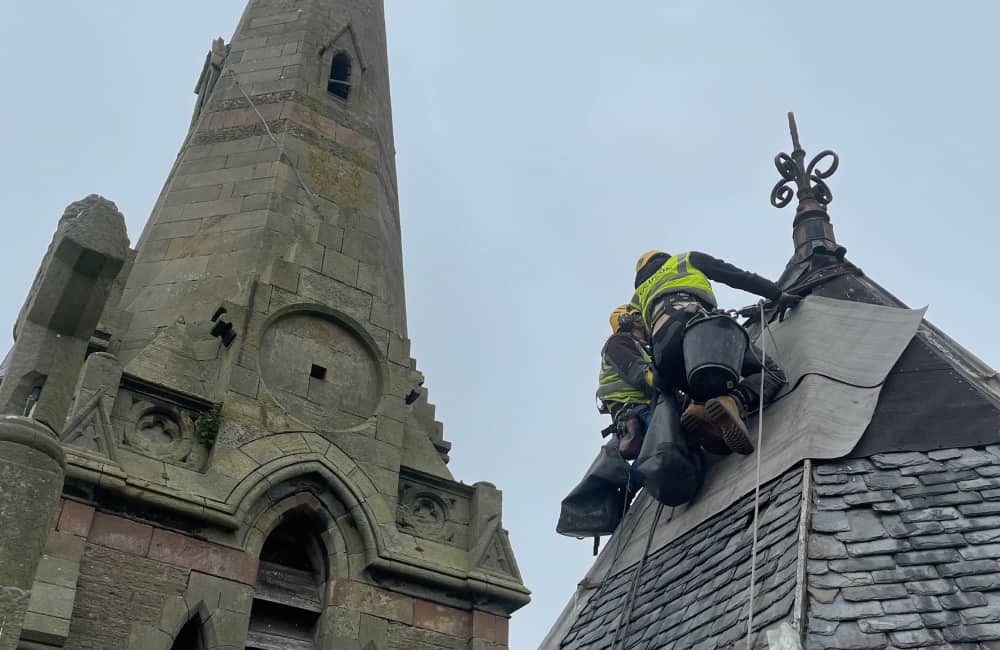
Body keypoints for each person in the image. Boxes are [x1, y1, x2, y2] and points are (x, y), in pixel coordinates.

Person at [632, 250, 799, 455]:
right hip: (693, 330)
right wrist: (778, 294)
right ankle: (735, 401)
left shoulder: (639, 294)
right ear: (663, 257)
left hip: (662, 356)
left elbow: (637, 338)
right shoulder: (684, 260)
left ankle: (700, 408)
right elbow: (736, 276)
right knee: (770, 372)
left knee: (704, 385)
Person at [596, 304, 656, 460]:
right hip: (637, 410)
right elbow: (641, 375)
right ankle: (635, 481)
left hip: (643, 407)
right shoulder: (617, 343)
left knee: (656, 452)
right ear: (631, 319)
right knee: (662, 446)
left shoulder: (641, 349)